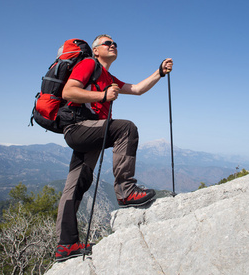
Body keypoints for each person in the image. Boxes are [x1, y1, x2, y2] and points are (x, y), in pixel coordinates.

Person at [54, 34, 173, 261]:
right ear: (96, 50)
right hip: (79, 127)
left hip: (87, 131)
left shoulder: (108, 76)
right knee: (126, 129)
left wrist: (159, 72)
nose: (113, 45)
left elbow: (137, 89)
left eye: (115, 43)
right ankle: (126, 191)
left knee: (76, 186)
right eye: (107, 43)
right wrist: (103, 95)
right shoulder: (88, 64)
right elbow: (68, 92)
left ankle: (65, 245)